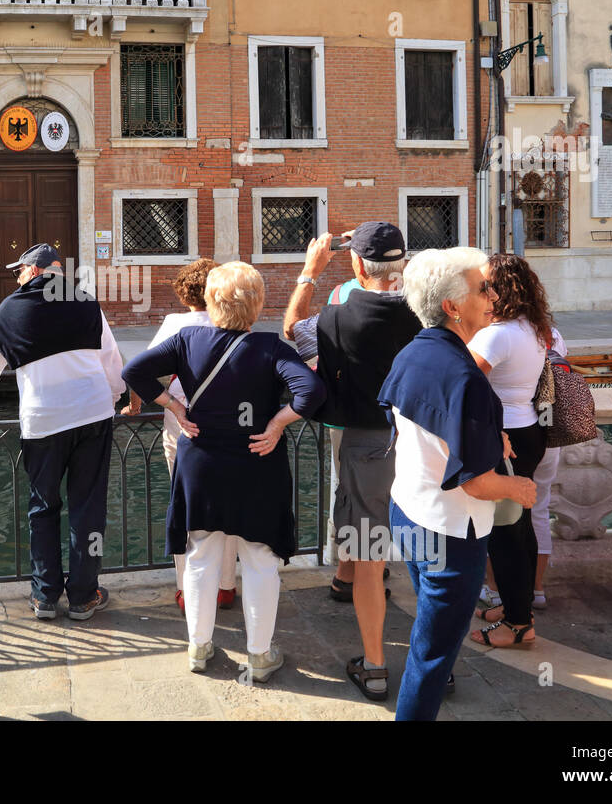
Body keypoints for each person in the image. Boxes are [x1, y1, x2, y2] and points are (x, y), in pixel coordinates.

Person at [122, 262, 325, 681]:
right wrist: (275, 424)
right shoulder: (271, 348)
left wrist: (176, 407)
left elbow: (134, 371)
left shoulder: (187, 338)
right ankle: (260, 655)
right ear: (256, 304)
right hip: (257, 464)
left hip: (201, 462)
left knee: (199, 556)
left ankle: (198, 647)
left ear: (212, 302)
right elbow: (311, 391)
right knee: (259, 558)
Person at [380, 248, 537, 720]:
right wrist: (520, 490)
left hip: (407, 512)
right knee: (432, 658)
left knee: (431, 644)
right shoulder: (465, 375)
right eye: (483, 289)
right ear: (452, 306)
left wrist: (487, 435)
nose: (493, 296)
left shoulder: (413, 351)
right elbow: (477, 484)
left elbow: (422, 427)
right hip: (450, 532)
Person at [287, 223, 419, 701]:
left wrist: (309, 271)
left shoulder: (336, 317)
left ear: (357, 265)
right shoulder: (432, 313)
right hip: (426, 447)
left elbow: (292, 332)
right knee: (429, 559)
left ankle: (376, 666)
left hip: (367, 449)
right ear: (401, 263)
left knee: (367, 559)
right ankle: (436, 665)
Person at [0, 243, 125, 621]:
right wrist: (116, 399)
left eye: (19, 271)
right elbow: (111, 361)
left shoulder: (9, 310)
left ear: (35, 271)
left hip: (43, 423)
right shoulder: (86, 301)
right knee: (88, 509)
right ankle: (84, 595)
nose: (17, 277)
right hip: (92, 416)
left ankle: (44, 596)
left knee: (43, 508)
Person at [120, 258, 237, 613]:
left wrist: (139, 405)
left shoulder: (176, 323)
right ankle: (226, 586)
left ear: (184, 293)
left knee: (185, 502)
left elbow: (139, 370)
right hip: (229, 421)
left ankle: (189, 592)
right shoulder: (231, 320)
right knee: (228, 505)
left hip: (183, 422)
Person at [466, 254, 552, 649]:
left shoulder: (494, 335)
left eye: (485, 285)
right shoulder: (534, 328)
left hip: (504, 437)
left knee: (504, 532)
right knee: (521, 524)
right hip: (529, 431)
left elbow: (465, 384)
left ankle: (517, 623)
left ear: (500, 288)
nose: (480, 291)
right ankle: (520, 608)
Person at [529, 327, 567, 609]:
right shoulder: (551, 333)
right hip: (550, 433)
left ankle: (494, 589)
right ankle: (537, 589)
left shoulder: (496, 333)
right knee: (539, 509)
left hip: (514, 431)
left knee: (498, 514)